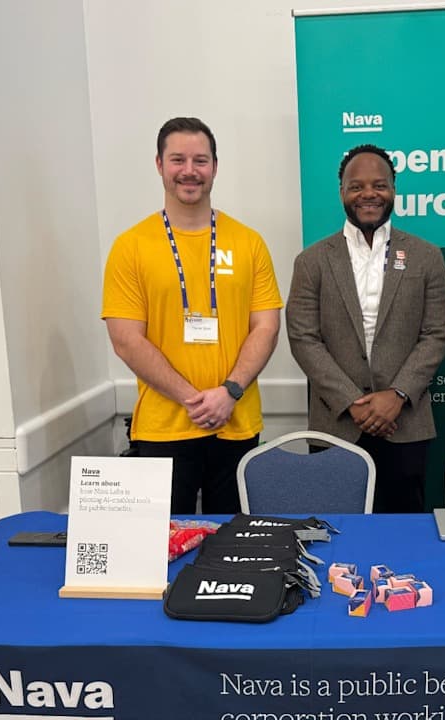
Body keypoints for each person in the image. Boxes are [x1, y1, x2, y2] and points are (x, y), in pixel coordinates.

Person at [102, 117, 282, 514]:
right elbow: (125, 339)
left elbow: (267, 327)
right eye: (177, 159)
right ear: (159, 165)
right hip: (163, 429)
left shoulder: (248, 243)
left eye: (200, 160)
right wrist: (194, 399)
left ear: (214, 167)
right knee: (161, 551)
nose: (189, 171)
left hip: (236, 425)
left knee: (232, 548)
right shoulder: (130, 246)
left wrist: (229, 392)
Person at [287, 144, 445, 512]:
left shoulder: (426, 256)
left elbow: (437, 333)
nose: (368, 194)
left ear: (393, 189)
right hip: (336, 424)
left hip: (405, 424)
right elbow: (303, 337)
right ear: (342, 191)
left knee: (402, 535)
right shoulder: (311, 261)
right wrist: (352, 402)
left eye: (379, 185)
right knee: (335, 531)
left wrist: (397, 394)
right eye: (356, 186)